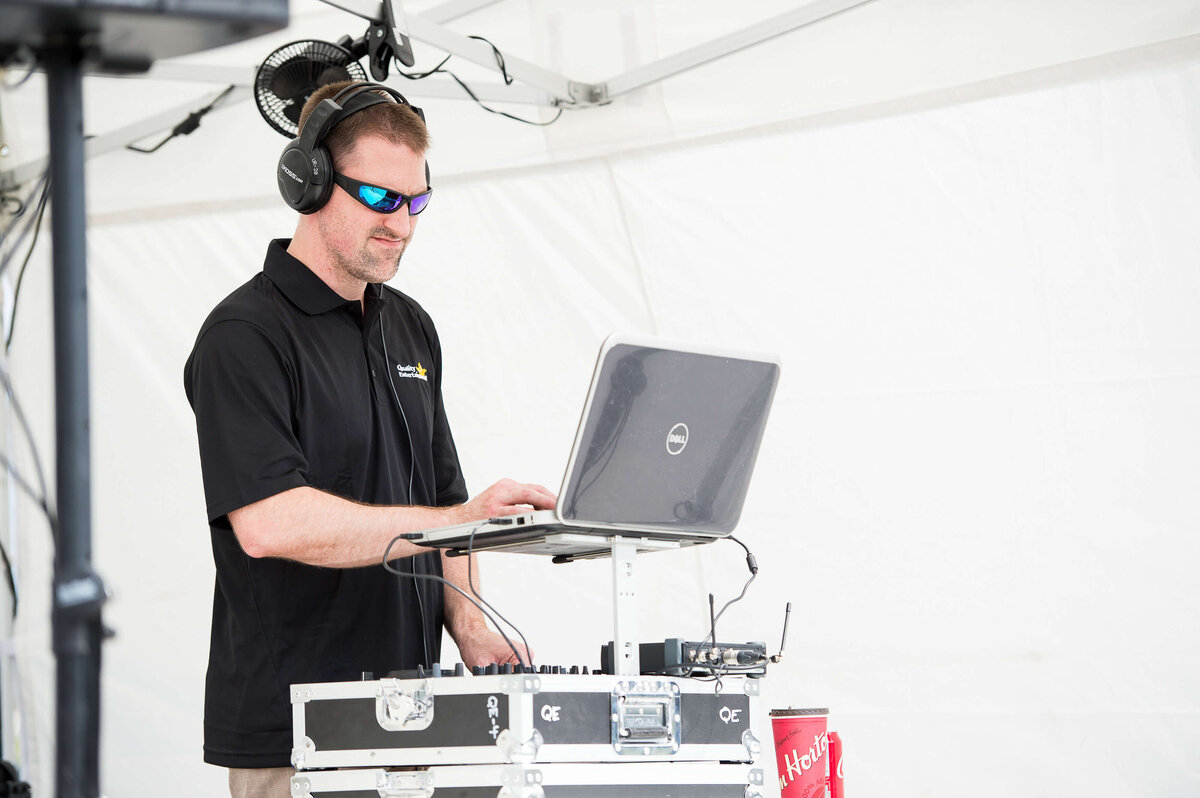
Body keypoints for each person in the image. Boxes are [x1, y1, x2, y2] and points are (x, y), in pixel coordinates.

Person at [183, 80, 555, 798]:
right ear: (310, 183)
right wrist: (457, 521)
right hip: (295, 734)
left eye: (416, 202)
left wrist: (471, 625)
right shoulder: (244, 336)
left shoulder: (409, 325)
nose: (403, 225)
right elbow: (268, 522)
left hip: (415, 720)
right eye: (381, 200)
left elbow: (441, 498)